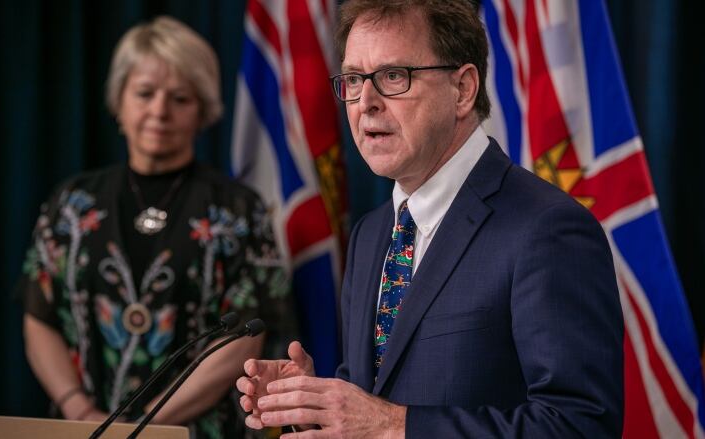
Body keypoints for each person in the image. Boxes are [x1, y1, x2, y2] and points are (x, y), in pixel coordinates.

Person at [236, 0, 624, 437]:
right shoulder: (371, 234)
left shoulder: (547, 229)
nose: (366, 103)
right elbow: (373, 401)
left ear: (462, 89)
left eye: (392, 76)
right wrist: (315, 406)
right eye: (352, 80)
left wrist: (393, 426)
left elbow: (580, 425)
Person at [19, 16, 294, 437]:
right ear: (119, 101)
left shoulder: (239, 209)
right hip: (81, 430)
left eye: (180, 98)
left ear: (202, 110)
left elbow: (244, 335)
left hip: (194, 432)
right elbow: (40, 316)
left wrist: (142, 425)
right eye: (145, 93)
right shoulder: (71, 204)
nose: (159, 111)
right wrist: (80, 411)